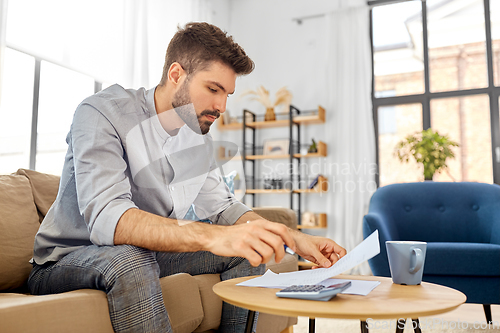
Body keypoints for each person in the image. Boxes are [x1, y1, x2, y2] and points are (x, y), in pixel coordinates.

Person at [27, 22, 346, 333]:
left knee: (248, 253)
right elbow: (108, 218)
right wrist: (213, 237)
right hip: (65, 259)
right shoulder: (102, 113)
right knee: (129, 258)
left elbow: (224, 209)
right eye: (212, 89)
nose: (221, 106)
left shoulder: (196, 136)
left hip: (145, 252)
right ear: (176, 74)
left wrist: (292, 237)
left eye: (227, 94)